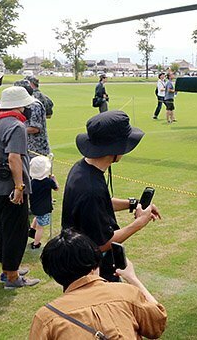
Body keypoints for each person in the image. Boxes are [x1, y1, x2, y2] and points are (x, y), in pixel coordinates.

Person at [61, 110, 162, 282]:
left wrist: (133, 204)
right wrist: (139, 223)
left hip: (81, 263)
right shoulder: (91, 188)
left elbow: (102, 204)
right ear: (115, 149)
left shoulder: (83, 168)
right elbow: (102, 244)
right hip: (92, 273)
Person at [29, 229, 167, 339]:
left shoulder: (45, 318)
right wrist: (132, 278)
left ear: (53, 273)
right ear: (95, 262)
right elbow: (158, 322)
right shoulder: (127, 293)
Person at [0, 87, 40, 289]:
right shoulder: (16, 126)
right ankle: (12, 277)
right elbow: (14, 157)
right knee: (16, 230)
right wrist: (19, 186)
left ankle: (8, 269)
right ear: (18, 105)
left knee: (4, 229)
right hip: (10, 188)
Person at [28, 155, 58, 250]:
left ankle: (32, 230)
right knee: (40, 227)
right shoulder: (48, 182)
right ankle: (36, 243)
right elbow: (57, 188)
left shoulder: (32, 182)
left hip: (34, 206)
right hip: (44, 207)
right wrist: (54, 179)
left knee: (37, 217)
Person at [14, 79, 50, 157]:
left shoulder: (34, 105)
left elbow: (35, 128)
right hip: (26, 148)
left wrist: (14, 130)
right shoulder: (23, 104)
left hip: (36, 150)